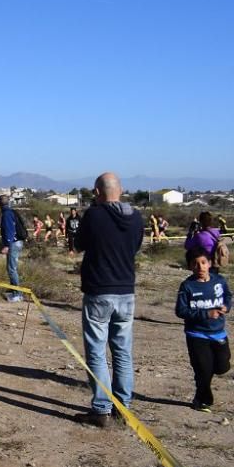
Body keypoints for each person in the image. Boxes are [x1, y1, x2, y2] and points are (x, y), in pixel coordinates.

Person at [74, 173, 144, 427]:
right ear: (121, 190)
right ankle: (123, 407)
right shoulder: (136, 217)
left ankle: (101, 408)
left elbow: (78, 243)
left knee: (96, 351)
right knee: (123, 352)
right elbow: (135, 246)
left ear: (96, 192)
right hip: (126, 291)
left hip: (99, 291)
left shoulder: (94, 215)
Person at [175, 248, 230, 413]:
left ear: (210, 263)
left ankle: (205, 375)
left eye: (203, 263)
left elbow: (228, 296)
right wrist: (206, 313)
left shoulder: (219, 281)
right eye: (195, 264)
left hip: (218, 332)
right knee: (203, 369)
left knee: (221, 367)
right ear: (190, 266)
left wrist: (226, 306)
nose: (200, 267)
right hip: (196, 334)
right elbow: (180, 311)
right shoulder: (187, 286)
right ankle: (202, 399)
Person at [0, 195, 27, 302]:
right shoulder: (11, 212)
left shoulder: (6, 214)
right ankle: (12, 290)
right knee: (11, 267)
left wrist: (7, 245)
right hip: (17, 242)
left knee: (12, 269)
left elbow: (10, 230)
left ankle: (17, 294)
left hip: (14, 243)